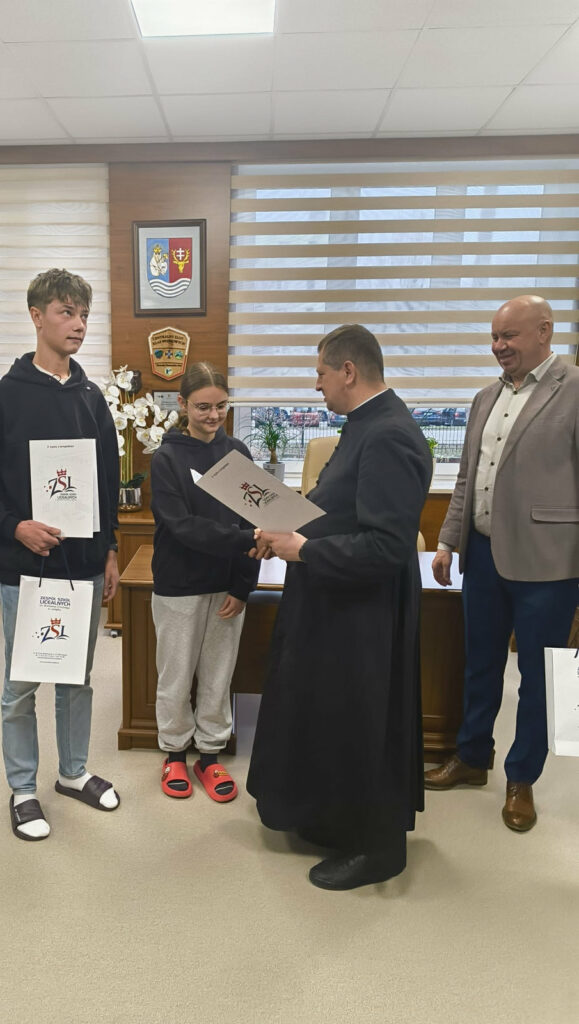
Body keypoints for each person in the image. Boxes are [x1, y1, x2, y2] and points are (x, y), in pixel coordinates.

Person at [246, 325, 433, 890]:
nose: (317, 385)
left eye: (321, 374)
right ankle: (331, 819)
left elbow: (386, 545)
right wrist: (288, 527)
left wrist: (303, 549)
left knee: (364, 720)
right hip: (338, 602)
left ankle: (378, 849)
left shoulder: (390, 435)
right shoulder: (364, 425)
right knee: (333, 716)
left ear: (348, 371)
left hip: (365, 614)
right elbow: (341, 508)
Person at [0, 268, 120, 841]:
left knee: (77, 678)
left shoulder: (92, 399)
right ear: (37, 316)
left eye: (84, 315)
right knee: (22, 684)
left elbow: (105, 482)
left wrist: (110, 548)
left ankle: (72, 773)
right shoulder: (2, 399)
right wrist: (15, 526)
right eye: (67, 312)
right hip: (27, 571)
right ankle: (23, 788)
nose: (79, 324)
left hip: (84, 568)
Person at [424, 295, 579, 832]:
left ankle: (522, 778)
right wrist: (447, 541)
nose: (498, 346)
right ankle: (472, 756)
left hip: (550, 563)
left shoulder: (573, 389)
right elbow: (467, 478)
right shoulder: (484, 397)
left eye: (508, 336)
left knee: (538, 676)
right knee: (480, 663)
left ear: (544, 331)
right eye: (494, 336)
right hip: (483, 554)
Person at [150, 362, 259, 801]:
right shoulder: (166, 458)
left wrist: (243, 585)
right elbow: (183, 527)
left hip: (226, 585)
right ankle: (174, 752)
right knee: (176, 675)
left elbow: (254, 518)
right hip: (179, 584)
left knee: (218, 675)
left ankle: (209, 755)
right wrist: (247, 538)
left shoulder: (238, 454)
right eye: (203, 407)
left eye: (221, 406)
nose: (214, 415)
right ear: (182, 404)